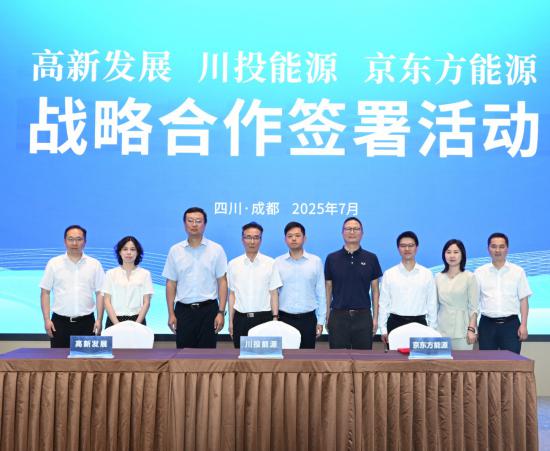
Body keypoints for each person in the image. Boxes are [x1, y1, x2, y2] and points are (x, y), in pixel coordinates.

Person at [162, 207, 228, 348]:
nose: (194, 224)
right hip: (183, 311)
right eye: (190, 221)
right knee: (183, 355)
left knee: (207, 355)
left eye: (198, 221)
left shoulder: (216, 249)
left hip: (209, 310)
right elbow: (171, 284)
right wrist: (171, 313)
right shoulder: (175, 250)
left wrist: (221, 312)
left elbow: (222, 282)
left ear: (205, 224)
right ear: (184, 224)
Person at [40, 225, 105, 348]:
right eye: (71, 239)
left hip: (87, 323)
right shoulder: (54, 263)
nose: (75, 243)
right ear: (65, 241)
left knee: (86, 360)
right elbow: (45, 292)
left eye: (79, 239)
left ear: (85, 242)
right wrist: (47, 320)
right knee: (59, 359)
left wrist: (99, 320)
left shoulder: (94, 264)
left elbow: (100, 293)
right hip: (59, 323)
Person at [324, 217, 382, 349]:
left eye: (356, 229)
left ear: (362, 233)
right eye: (348, 229)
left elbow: (375, 290)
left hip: (363, 316)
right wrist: (327, 315)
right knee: (338, 359)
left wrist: (375, 318)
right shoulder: (332, 258)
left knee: (363, 358)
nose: (352, 232)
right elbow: (328, 288)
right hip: (338, 316)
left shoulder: (371, 258)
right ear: (342, 232)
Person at [474, 232, 531, 354]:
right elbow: (475, 302)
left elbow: (523, 300)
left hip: (511, 325)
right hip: (487, 325)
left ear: (507, 249)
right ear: (488, 249)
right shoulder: (479, 272)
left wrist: (524, 325)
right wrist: (473, 327)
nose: (497, 250)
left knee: (512, 362)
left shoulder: (518, 271)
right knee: (487, 362)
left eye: (501, 246)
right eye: (493, 246)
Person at [228, 222, 282, 348]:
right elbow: (232, 295)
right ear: (242, 239)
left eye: (256, 237)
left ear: (261, 240)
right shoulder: (233, 264)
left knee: (264, 357)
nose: (252, 241)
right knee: (241, 357)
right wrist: (230, 321)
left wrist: (275, 319)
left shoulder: (270, 263)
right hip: (241, 319)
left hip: (264, 319)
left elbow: (274, 293)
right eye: (248, 237)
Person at [379, 231, 437, 345]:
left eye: (411, 245)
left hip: (420, 324)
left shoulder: (427, 274)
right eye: (403, 246)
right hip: (395, 323)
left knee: (420, 357)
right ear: (398, 248)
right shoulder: (389, 274)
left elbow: (432, 304)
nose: (407, 249)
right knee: (395, 357)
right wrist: (383, 329)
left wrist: (432, 329)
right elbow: (383, 304)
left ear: (417, 248)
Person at [274, 222, 326, 349]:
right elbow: (274, 293)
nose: (294, 239)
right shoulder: (277, 262)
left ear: (304, 238)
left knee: (307, 357)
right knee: (285, 357)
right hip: (285, 319)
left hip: (308, 319)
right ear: (285, 239)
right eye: (290, 236)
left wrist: (320, 320)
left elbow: (321, 293)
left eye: (297, 235)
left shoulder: (315, 261)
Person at [435, 239, 479, 350]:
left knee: (463, 361)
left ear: (462, 254)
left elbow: (473, 307)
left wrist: (471, 329)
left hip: (463, 331)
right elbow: (434, 306)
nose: (452, 256)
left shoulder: (469, 277)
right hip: (441, 330)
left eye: (456, 252)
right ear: (444, 255)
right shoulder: (438, 277)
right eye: (448, 252)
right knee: (441, 361)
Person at [103, 236, 153, 328]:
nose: (129, 252)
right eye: (125, 249)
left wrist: (136, 325)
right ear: (119, 252)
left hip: (137, 320)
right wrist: (117, 325)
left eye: (132, 249)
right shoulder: (110, 273)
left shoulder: (145, 274)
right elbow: (106, 301)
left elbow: (146, 302)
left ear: (137, 252)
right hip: (114, 320)